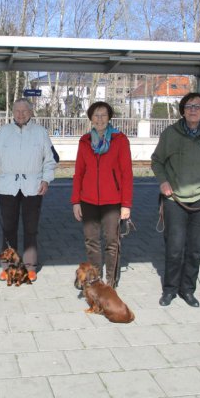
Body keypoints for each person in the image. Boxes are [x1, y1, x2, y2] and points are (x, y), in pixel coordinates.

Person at [151, 92, 200, 307]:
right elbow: (157, 162)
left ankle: (188, 290)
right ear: (183, 110)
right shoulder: (170, 134)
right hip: (175, 200)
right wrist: (163, 182)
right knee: (174, 248)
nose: (193, 110)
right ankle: (170, 290)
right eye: (189, 106)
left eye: (198, 106)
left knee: (194, 249)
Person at [0, 98, 57, 282]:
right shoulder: (3, 132)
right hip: (8, 187)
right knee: (9, 229)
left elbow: (50, 160)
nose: (21, 114)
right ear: (12, 112)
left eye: (25, 111)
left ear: (31, 112)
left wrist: (46, 180)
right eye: (17, 111)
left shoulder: (40, 133)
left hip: (33, 187)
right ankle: (9, 266)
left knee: (31, 229)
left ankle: (30, 266)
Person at [71, 101, 133, 288]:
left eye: (103, 115)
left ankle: (111, 282)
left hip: (112, 201)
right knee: (91, 242)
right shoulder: (85, 141)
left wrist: (126, 204)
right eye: (96, 115)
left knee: (112, 242)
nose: (100, 119)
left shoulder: (120, 140)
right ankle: (95, 280)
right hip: (87, 200)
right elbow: (78, 173)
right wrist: (76, 201)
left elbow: (126, 173)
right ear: (91, 118)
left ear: (109, 117)